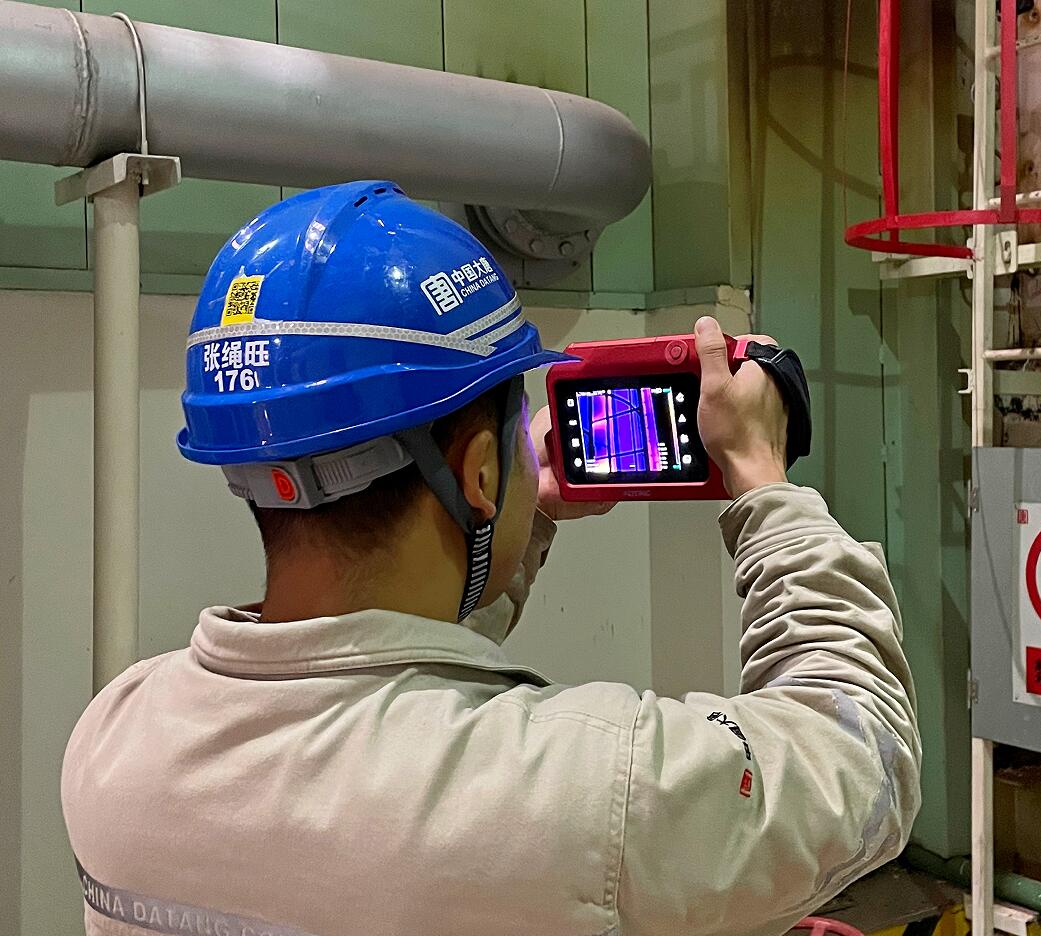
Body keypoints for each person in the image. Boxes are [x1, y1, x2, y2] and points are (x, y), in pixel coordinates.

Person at [61, 181, 921, 936]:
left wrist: (519, 516)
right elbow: (862, 756)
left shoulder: (115, 737)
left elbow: (376, 705)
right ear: (477, 472)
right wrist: (763, 481)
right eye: (507, 442)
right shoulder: (588, 792)